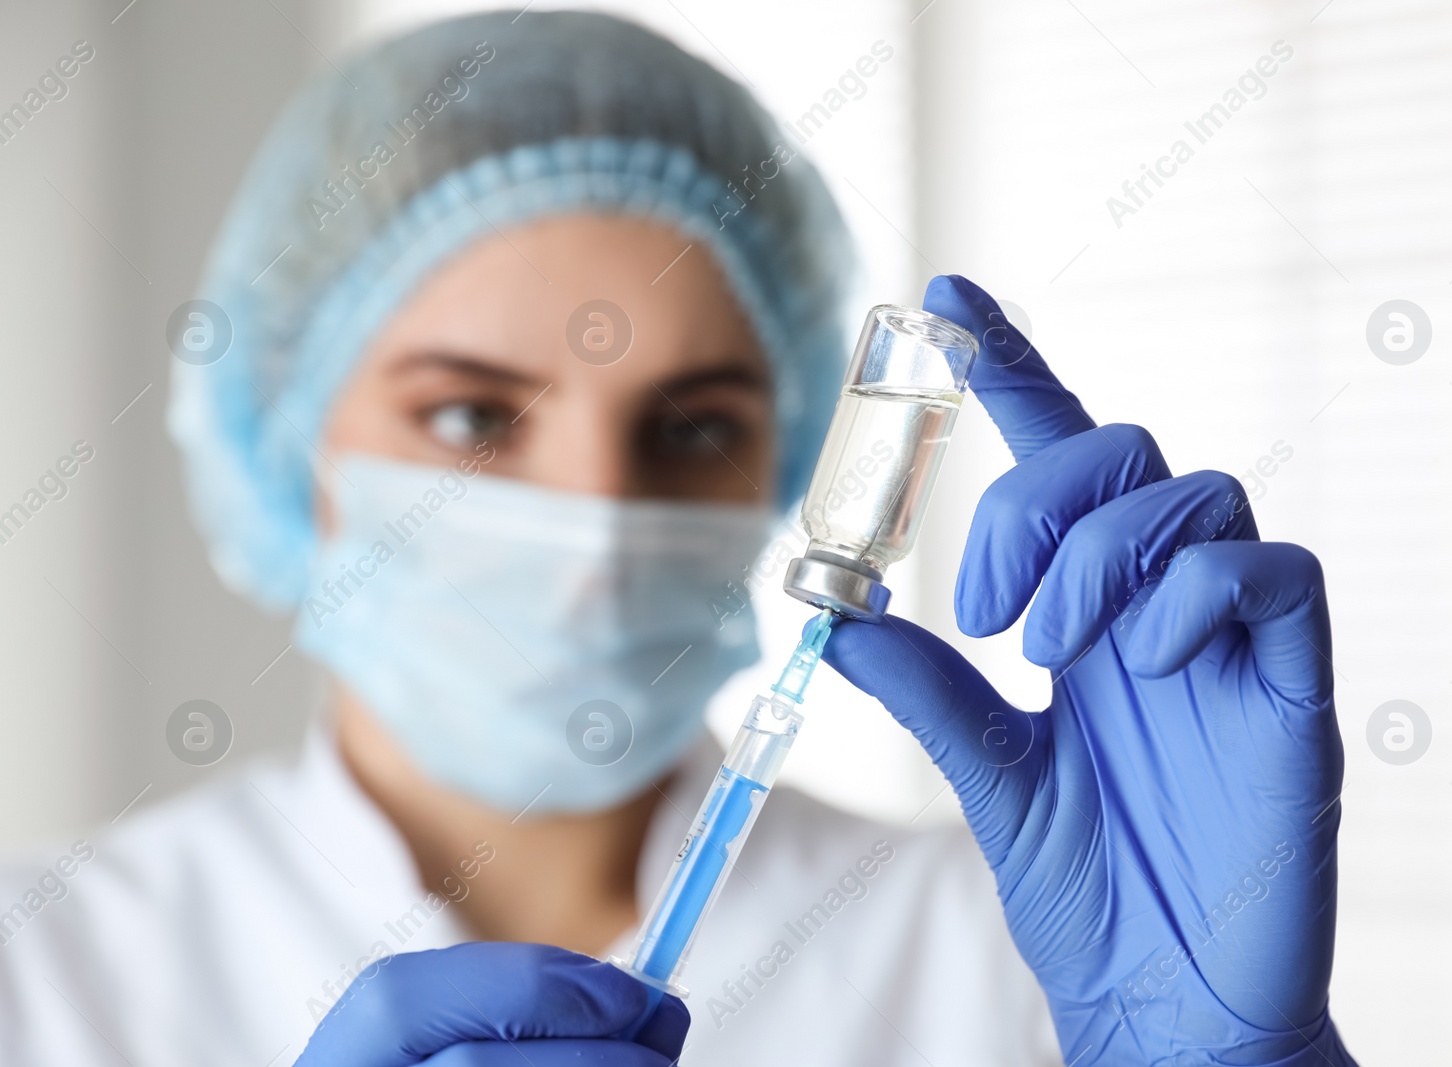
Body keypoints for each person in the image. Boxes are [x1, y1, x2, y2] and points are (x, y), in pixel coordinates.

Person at [0, 11, 1359, 1066]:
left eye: (693, 426)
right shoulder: (49, 972)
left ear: (787, 452)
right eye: (474, 416)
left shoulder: (1014, 950)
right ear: (284, 442)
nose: (598, 519)